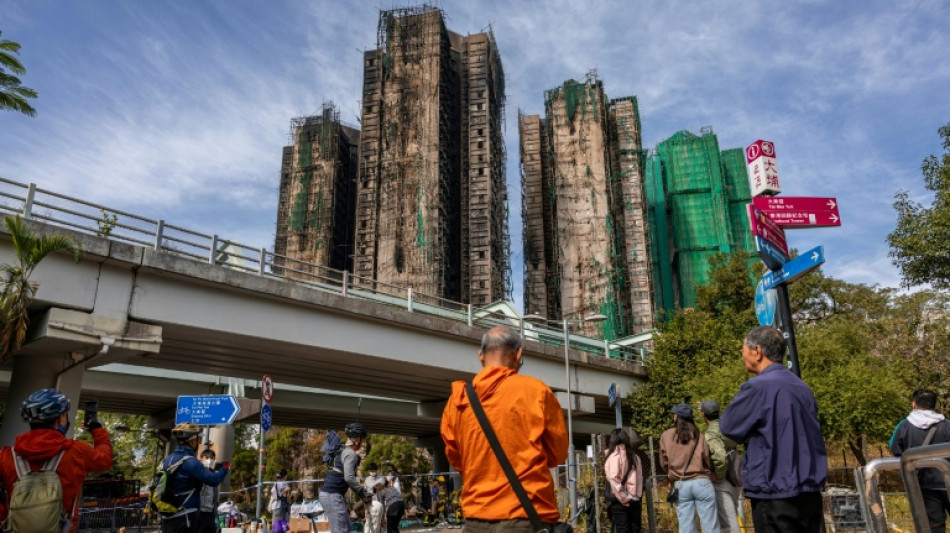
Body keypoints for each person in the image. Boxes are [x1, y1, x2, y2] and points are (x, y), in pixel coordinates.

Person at [441, 325, 568, 531]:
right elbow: (557, 455)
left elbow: (457, 460)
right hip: (526, 517)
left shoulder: (457, 401)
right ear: (518, 354)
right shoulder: (536, 392)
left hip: (475, 519)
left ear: (480, 356)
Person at [720, 326, 827, 533]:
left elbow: (728, 426)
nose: (742, 356)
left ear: (757, 351)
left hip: (774, 491)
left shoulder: (757, 387)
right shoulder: (801, 387)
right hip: (809, 491)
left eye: (743, 349)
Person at [0, 388, 113, 533]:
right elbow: (105, 460)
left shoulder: (6, 455)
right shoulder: (76, 451)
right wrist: (97, 430)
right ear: (60, 418)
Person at [890, 388, 950, 532]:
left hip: (924, 484)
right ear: (933, 405)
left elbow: (894, 447)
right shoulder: (947, 424)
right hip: (947, 479)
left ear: (914, 404)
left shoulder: (904, 426)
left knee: (934, 525)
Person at [159, 422, 231, 533]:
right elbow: (214, 480)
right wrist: (224, 468)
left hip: (167, 517)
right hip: (185, 518)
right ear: (193, 440)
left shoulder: (167, 460)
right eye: (197, 440)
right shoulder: (190, 461)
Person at [659, 403, 719, 533]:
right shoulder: (699, 436)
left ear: (676, 417)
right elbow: (707, 460)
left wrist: (671, 474)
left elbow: (663, 462)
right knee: (710, 527)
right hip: (702, 482)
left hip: (681, 485)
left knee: (686, 527)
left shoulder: (666, 436)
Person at [319, 422, 373, 533]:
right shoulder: (350, 454)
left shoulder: (341, 450)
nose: (362, 443)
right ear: (357, 439)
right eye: (362, 440)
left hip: (330, 495)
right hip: (332, 495)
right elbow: (349, 478)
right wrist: (363, 494)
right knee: (341, 530)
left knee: (347, 528)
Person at [698, 400, 740, 533]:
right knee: (736, 518)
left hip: (722, 482)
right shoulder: (727, 426)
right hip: (736, 476)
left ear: (703, 414)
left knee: (728, 523)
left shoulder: (711, 433)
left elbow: (719, 456)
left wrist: (718, 475)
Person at [604, 428, 644, 533]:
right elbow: (640, 479)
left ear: (612, 440)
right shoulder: (636, 457)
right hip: (635, 498)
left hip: (619, 500)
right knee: (635, 529)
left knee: (622, 529)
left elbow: (613, 478)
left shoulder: (614, 456)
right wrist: (637, 497)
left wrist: (623, 497)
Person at [197, 448, 221, 533]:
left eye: (212, 458)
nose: (209, 460)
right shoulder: (196, 472)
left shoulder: (214, 475)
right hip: (198, 512)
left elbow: (215, 495)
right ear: (201, 458)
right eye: (206, 458)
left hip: (210, 512)